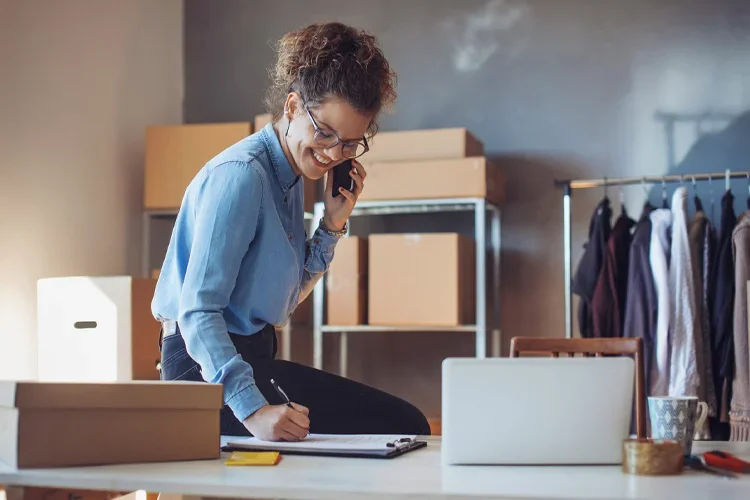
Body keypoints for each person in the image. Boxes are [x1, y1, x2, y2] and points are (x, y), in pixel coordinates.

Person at [151, 21, 431, 441]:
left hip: (251, 359)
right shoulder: (242, 176)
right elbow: (197, 312)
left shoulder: (291, 177)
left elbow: (284, 298)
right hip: (203, 372)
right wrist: (253, 410)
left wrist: (332, 225)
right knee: (400, 425)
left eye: (352, 143)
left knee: (402, 425)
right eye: (325, 133)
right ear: (294, 107)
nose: (334, 153)